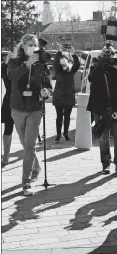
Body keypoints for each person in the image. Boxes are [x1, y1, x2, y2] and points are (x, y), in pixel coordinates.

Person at [8, 34, 52, 196]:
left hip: (35, 108)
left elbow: (48, 85)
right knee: (25, 145)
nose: (32, 47)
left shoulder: (41, 64)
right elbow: (11, 76)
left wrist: (46, 92)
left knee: (29, 146)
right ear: (23, 46)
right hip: (18, 108)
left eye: (34, 44)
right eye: (28, 44)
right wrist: (27, 64)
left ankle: (25, 184)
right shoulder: (14, 61)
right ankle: (36, 166)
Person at [87, 45, 117, 177]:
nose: (109, 58)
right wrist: (99, 65)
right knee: (103, 138)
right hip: (100, 108)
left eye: (111, 55)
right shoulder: (96, 67)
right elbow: (91, 79)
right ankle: (105, 164)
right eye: (106, 55)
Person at [52, 46, 80, 142]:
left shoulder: (71, 71)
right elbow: (55, 62)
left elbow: (77, 64)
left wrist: (73, 54)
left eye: (65, 59)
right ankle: (58, 134)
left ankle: (66, 134)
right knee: (59, 116)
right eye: (61, 59)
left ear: (68, 61)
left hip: (69, 97)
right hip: (59, 97)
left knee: (67, 116)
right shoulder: (58, 70)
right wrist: (59, 52)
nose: (63, 60)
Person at [2, 52, 14, 167]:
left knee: (26, 131)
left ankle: (30, 156)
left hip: (23, 102)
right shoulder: (5, 69)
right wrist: (6, 61)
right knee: (8, 128)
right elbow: (3, 71)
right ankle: (6, 156)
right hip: (9, 101)